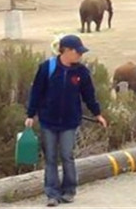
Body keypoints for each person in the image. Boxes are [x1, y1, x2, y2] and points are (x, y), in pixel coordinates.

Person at [25, 34, 107, 207]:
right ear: (67, 51)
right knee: (51, 158)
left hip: (70, 121)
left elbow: (89, 95)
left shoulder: (81, 72)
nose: (80, 55)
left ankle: (69, 190)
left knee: (67, 155)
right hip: (48, 120)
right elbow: (36, 93)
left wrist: (97, 114)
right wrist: (30, 115)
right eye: (78, 52)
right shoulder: (47, 67)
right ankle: (52, 194)